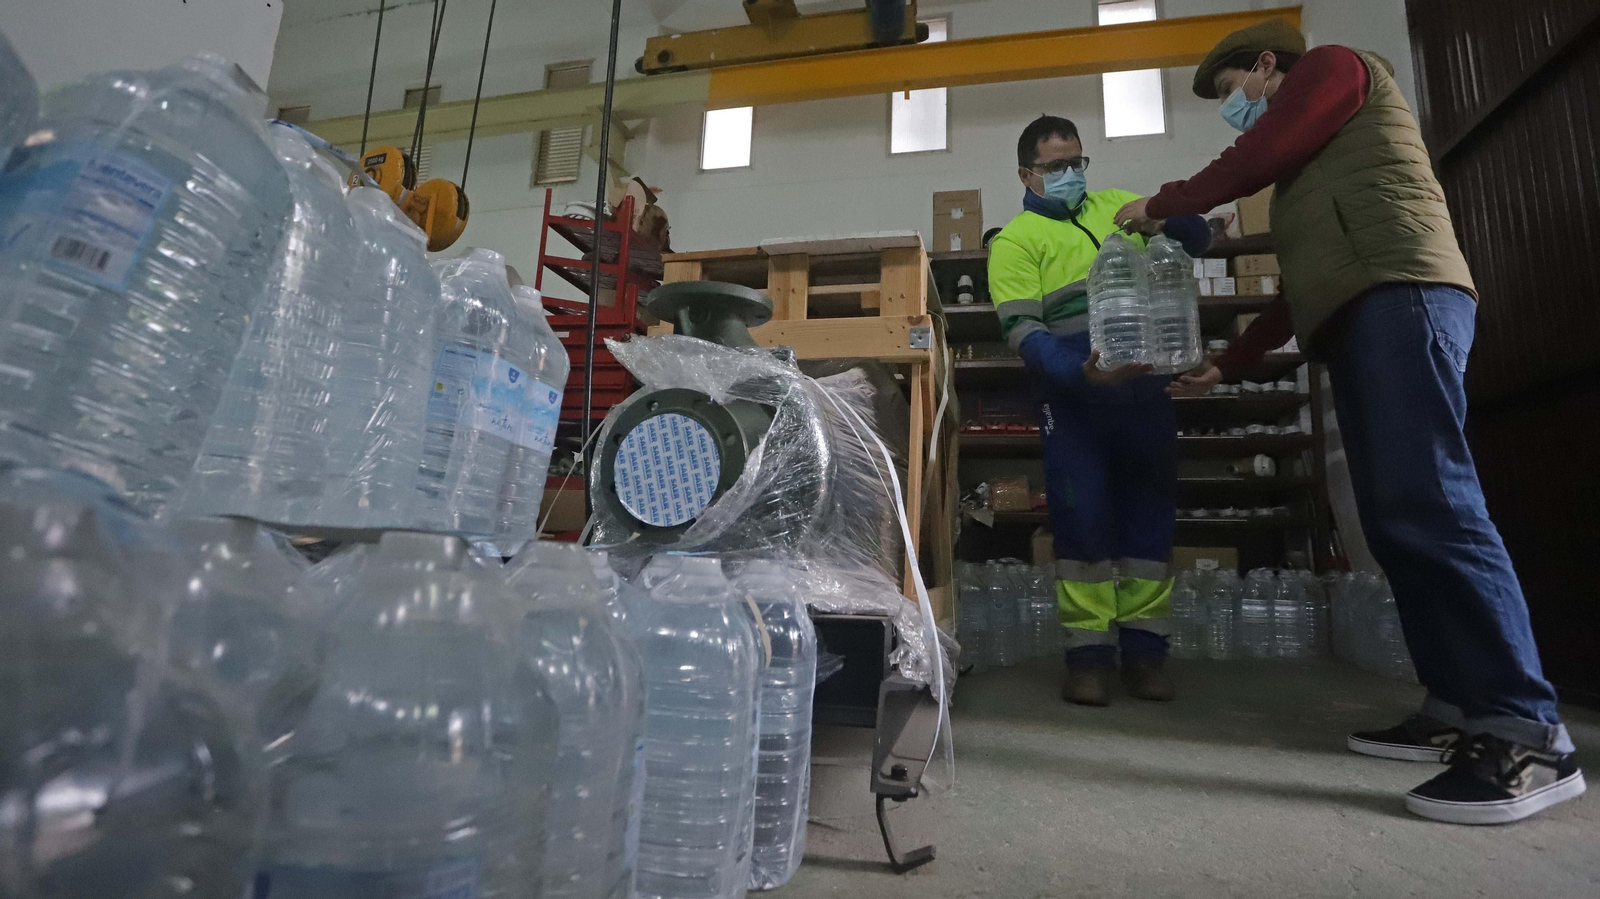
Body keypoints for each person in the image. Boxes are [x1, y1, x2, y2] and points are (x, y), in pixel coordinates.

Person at [1115, 19, 1584, 824]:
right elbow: (1301, 289)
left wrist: (1165, 204)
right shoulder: (1311, 172)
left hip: (1403, 296)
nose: (1237, 111)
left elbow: (1250, 159)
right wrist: (1228, 365)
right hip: (1362, 313)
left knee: (1433, 503)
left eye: (1232, 93)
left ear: (1266, 65)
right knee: (1397, 518)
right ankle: (1460, 705)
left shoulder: (1332, 71)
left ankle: (1526, 727)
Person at [987, 115, 1210, 707]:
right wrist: (1077, 373)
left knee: (1149, 522)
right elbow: (1022, 330)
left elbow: (1196, 240)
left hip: (1146, 393)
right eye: (1055, 166)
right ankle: (1087, 660)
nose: (1069, 175)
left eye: (1076, 163)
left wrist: (1175, 215)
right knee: (1082, 525)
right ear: (1026, 173)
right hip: (1075, 401)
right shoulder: (1014, 242)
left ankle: (1145, 655)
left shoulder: (1119, 208)